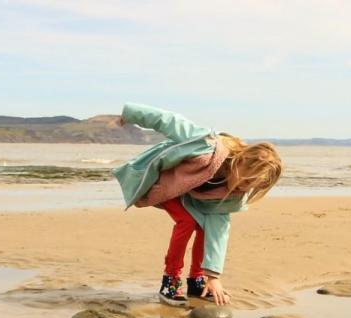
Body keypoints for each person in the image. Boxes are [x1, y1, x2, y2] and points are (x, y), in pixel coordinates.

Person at [113, 103, 282, 306]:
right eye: (246, 181)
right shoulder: (206, 146)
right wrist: (131, 114)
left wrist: (214, 277)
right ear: (241, 160)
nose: (245, 188)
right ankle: (170, 280)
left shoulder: (233, 194)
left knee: (204, 227)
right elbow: (170, 121)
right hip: (164, 183)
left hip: (188, 196)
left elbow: (218, 230)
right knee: (187, 221)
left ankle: (196, 280)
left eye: (252, 187)